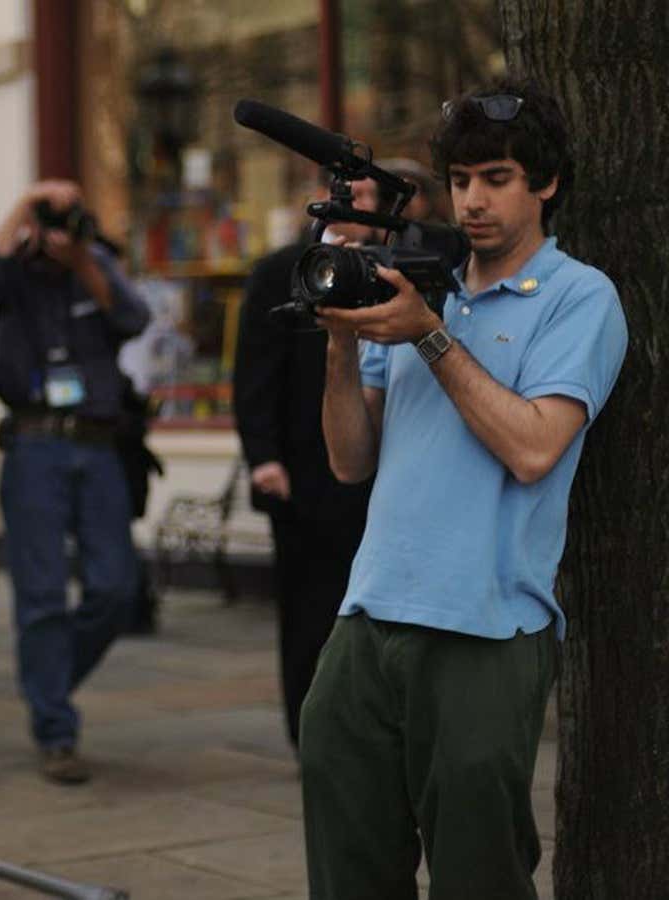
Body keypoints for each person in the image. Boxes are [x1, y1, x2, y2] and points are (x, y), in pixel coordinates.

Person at [299, 81, 627, 899]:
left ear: (545, 184)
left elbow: (533, 448)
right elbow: (349, 461)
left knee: (479, 875)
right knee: (348, 872)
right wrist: (341, 342)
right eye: (461, 180)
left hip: (484, 627)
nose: (473, 200)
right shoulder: (418, 284)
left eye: (498, 178)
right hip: (367, 617)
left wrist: (432, 335)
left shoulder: (580, 297)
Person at [0, 180, 151, 784]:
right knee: (42, 594)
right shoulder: (13, 273)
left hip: (97, 446)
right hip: (34, 445)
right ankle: (55, 730)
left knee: (115, 588)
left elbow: (132, 317)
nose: (58, 228)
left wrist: (83, 260)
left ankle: (45, 683)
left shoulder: (97, 265)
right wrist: (26, 201)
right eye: (52, 218)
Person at [232, 172, 381, 747]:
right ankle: (310, 733)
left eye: (368, 197)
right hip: (303, 475)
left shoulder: (398, 271)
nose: (357, 206)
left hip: (376, 473)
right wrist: (263, 457)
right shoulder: (282, 270)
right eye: (348, 196)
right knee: (308, 611)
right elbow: (254, 373)